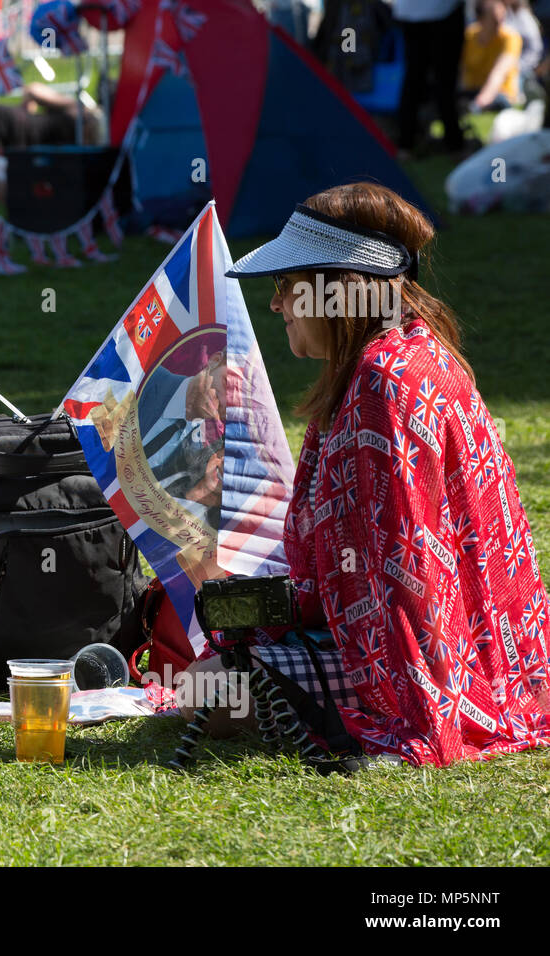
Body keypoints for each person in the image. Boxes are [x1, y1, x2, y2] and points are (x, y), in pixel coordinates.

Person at [205, 182, 550, 766]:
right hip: (484, 660)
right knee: (214, 664)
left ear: (334, 291)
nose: (275, 305)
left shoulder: (382, 383)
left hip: (429, 671)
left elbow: (406, 572)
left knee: (212, 692)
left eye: (285, 286)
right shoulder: (411, 352)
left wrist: (419, 725)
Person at [393, 0, 467, 155]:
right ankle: (454, 144)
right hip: (442, 11)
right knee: (444, 81)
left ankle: (406, 143)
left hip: (411, 12)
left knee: (414, 78)